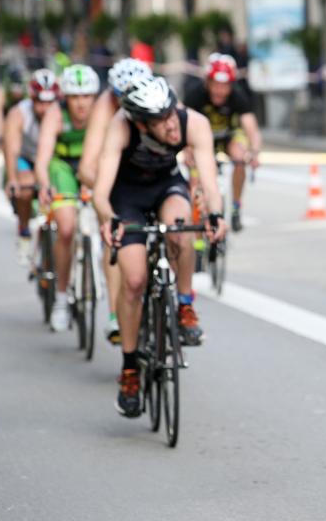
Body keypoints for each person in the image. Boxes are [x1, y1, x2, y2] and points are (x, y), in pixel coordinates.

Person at [92, 76, 226, 417]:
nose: (169, 124)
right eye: (158, 120)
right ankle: (130, 369)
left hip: (167, 186)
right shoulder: (121, 128)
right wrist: (109, 218)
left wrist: (215, 214)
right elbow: (101, 193)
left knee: (180, 232)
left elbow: (209, 179)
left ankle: (184, 304)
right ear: (140, 123)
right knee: (134, 281)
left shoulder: (192, 122)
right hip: (127, 197)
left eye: (170, 113)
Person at [77, 58, 153, 343]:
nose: (128, 103)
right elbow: (87, 167)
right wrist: (104, 193)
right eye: (122, 96)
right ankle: (114, 315)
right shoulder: (105, 108)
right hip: (113, 180)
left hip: (149, 176)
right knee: (115, 238)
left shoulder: (158, 100)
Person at [35, 64, 100, 332]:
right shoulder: (55, 115)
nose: (81, 104)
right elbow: (42, 158)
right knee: (66, 228)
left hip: (91, 167)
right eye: (75, 97)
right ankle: (61, 297)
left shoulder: (101, 114)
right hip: (63, 168)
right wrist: (45, 185)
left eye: (86, 96)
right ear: (66, 98)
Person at [184, 53, 262, 232]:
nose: (220, 91)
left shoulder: (238, 96)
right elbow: (183, 124)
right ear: (207, 82)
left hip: (227, 138)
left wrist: (254, 152)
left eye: (225, 86)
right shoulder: (195, 95)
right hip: (201, 140)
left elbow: (252, 129)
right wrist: (187, 149)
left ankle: (236, 206)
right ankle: (197, 228)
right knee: (195, 177)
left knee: (240, 157)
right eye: (215, 85)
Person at [4, 69, 61, 265]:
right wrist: (12, 179)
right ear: (32, 98)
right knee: (25, 188)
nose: (45, 108)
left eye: (49, 102)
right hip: (26, 158)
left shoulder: (60, 113)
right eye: (40, 102)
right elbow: (11, 149)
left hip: (51, 159)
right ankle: (24, 230)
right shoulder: (19, 113)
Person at [0, 66, 27, 152]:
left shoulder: (27, 94)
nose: (17, 92)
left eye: (19, 88)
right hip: (6, 124)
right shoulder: (0, 94)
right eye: (14, 87)